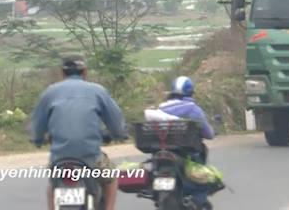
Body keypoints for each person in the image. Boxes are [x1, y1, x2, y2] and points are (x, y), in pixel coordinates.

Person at [31, 56, 127, 210]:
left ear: (62, 73)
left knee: (52, 186)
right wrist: (119, 134)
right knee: (111, 178)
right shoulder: (97, 90)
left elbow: (37, 122)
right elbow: (115, 119)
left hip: (59, 159)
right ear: (85, 72)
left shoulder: (50, 92)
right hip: (91, 157)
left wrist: (37, 139)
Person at [147, 76, 216, 209]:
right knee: (200, 176)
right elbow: (208, 133)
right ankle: (198, 199)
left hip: (160, 152)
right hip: (185, 153)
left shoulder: (160, 109)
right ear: (190, 92)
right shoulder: (192, 109)